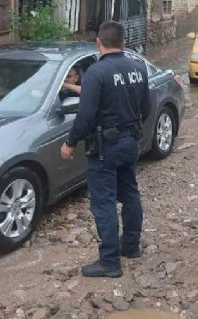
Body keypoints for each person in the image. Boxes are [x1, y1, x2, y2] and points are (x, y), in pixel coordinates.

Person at [60, 21, 151, 278]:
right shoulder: (138, 67)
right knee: (130, 193)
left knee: (104, 203)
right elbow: (146, 109)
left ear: (99, 43)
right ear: (123, 43)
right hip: (130, 143)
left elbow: (85, 117)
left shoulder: (96, 73)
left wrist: (69, 144)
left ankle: (109, 262)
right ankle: (131, 246)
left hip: (104, 148)